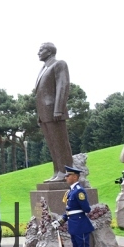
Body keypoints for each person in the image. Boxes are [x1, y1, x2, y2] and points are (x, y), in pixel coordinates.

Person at [34, 42, 73, 182]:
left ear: (50, 52)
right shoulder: (44, 68)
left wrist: (58, 109)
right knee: (52, 144)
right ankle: (58, 171)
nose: (38, 53)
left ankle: (66, 172)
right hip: (44, 113)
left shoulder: (59, 64)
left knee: (60, 144)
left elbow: (63, 86)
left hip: (53, 111)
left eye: (41, 50)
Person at [52, 166, 95, 247]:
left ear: (75, 177)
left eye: (68, 175)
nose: (66, 177)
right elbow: (69, 210)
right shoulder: (71, 191)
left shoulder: (79, 191)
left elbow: (86, 208)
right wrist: (61, 220)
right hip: (74, 224)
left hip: (80, 224)